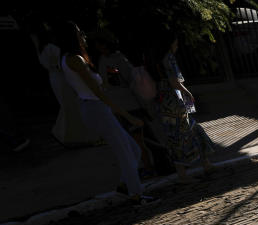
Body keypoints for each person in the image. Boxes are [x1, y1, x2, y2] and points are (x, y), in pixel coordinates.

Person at [56, 22, 154, 204]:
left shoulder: (68, 59)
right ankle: (136, 194)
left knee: (132, 150)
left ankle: (125, 187)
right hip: (96, 108)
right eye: (79, 33)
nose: (83, 36)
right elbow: (98, 93)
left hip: (94, 107)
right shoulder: (75, 60)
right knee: (125, 152)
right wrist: (128, 116)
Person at [148, 33, 214, 183]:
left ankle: (196, 168)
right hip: (174, 101)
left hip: (164, 103)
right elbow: (174, 81)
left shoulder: (156, 60)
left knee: (177, 136)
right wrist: (187, 92)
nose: (177, 46)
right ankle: (198, 167)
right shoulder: (169, 58)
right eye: (176, 44)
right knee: (190, 132)